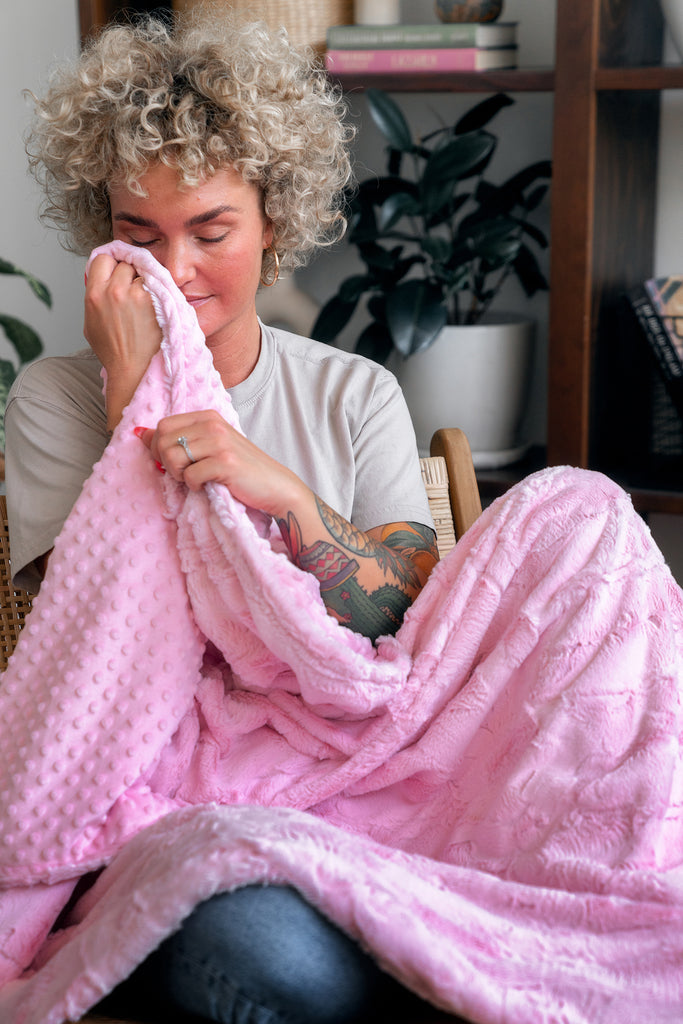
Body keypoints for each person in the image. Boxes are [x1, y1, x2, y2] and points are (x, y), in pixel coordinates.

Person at [4, 9, 444, 1024]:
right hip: (162, 807)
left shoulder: (353, 395)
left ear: (274, 221)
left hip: (351, 781)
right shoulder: (54, 399)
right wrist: (132, 396)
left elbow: (403, 620)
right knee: (273, 967)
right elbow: (97, 651)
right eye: (137, 237)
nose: (174, 270)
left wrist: (280, 491)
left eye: (210, 232)